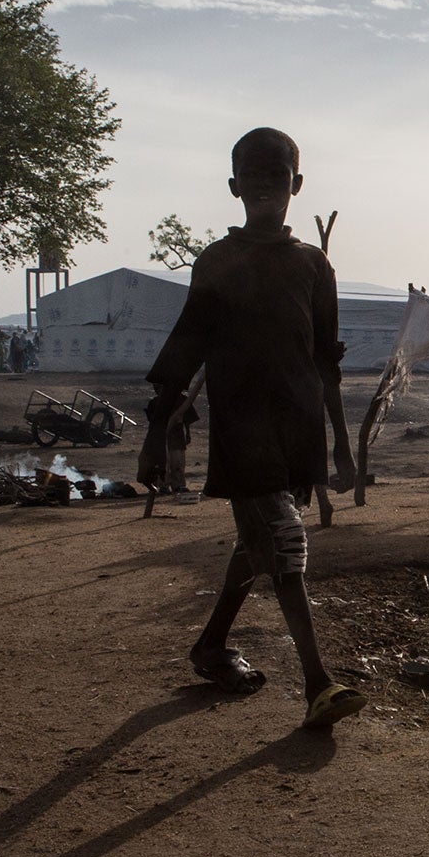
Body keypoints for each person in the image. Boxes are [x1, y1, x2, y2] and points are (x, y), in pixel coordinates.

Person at [139, 127, 364, 731]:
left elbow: (325, 363)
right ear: (235, 186)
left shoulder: (314, 266)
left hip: (297, 430)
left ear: (297, 184)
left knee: (257, 543)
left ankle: (211, 646)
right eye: (254, 177)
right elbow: (187, 343)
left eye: (278, 175)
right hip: (242, 430)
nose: (266, 187)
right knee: (286, 543)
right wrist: (157, 430)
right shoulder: (219, 261)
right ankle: (318, 684)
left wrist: (341, 445)